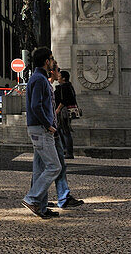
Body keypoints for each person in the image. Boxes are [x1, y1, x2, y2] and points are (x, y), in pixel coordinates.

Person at [21, 47, 63, 219]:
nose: (54, 62)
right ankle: (32, 198)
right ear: (47, 61)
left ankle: (41, 207)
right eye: (52, 59)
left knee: (40, 170)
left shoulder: (39, 78)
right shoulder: (39, 79)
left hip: (39, 128)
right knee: (55, 166)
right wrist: (48, 125)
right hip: (41, 129)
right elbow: (36, 106)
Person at [48, 62, 84, 209]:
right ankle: (37, 198)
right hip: (48, 127)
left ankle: (57, 198)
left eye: (59, 72)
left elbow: (61, 101)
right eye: (57, 70)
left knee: (57, 165)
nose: (58, 73)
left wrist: (56, 111)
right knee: (53, 166)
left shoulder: (62, 87)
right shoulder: (52, 85)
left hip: (57, 117)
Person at [54, 69, 77, 159]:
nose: (58, 78)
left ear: (64, 78)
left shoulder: (64, 87)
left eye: (59, 76)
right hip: (63, 111)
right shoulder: (67, 86)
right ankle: (65, 149)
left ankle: (69, 151)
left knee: (65, 131)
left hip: (64, 112)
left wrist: (58, 109)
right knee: (60, 130)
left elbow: (64, 100)